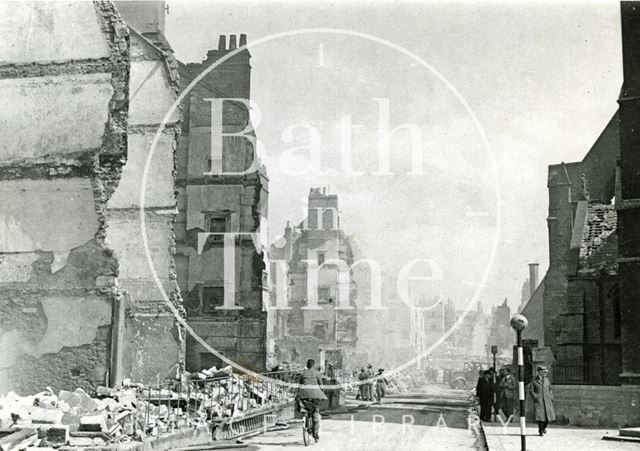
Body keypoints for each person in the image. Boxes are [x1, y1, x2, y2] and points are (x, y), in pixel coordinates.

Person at [296, 359, 327, 441]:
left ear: (307, 365)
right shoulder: (317, 373)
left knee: (303, 408)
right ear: (314, 365)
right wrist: (322, 394)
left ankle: (304, 419)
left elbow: (299, 386)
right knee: (316, 413)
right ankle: (315, 434)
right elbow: (321, 386)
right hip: (315, 396)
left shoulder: (303, 374)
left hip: (304, 396)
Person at [530, 365, 555, 436]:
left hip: (547, 400)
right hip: (539, 401)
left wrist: (551, 397)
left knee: (548, 417)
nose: (545, 373)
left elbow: (550, 389)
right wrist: (536, 397)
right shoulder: (534, 380)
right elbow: (531, 390)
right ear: (539, 372)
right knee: (540, 417)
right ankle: (540, 430)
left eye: (545, 372)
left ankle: (544, 427)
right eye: (544, 372)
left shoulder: (547, 380)